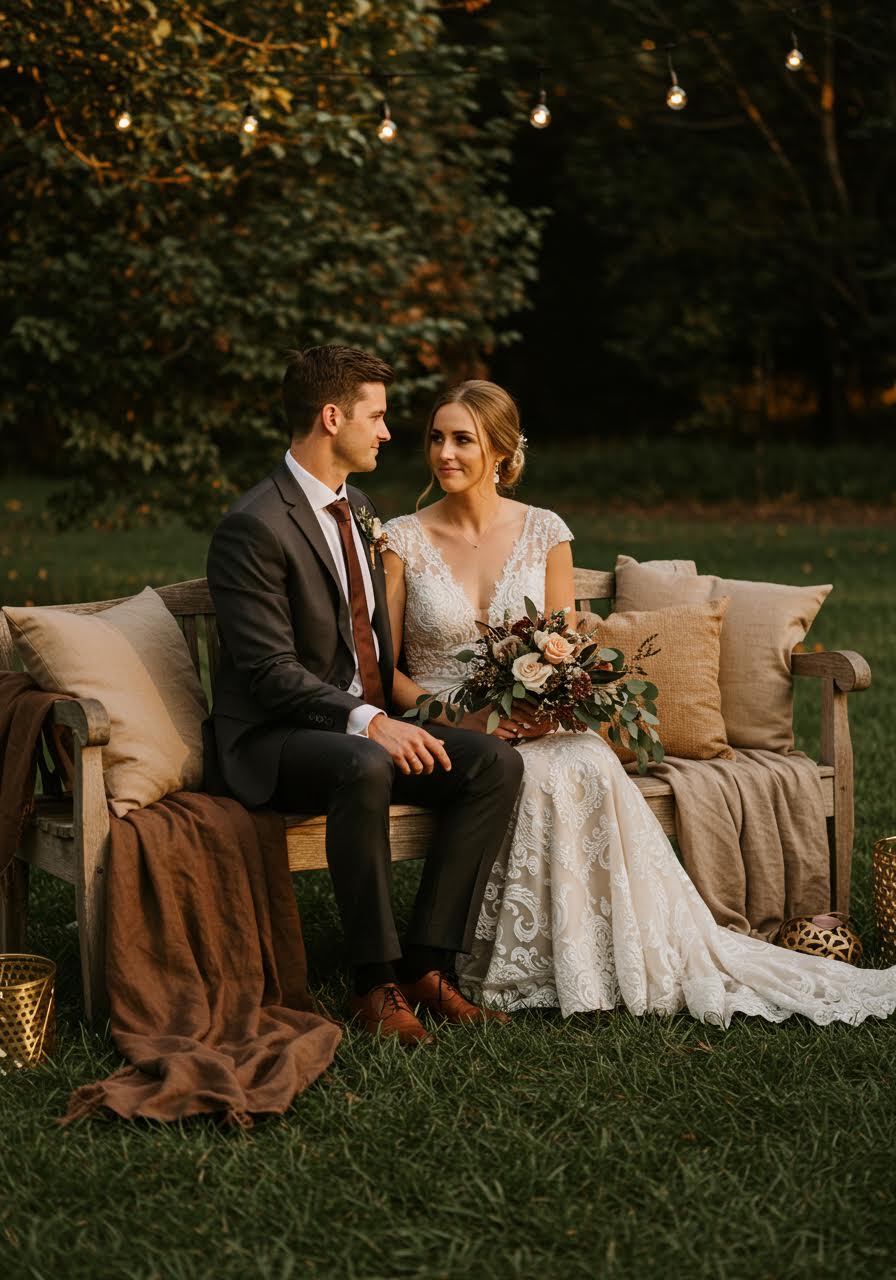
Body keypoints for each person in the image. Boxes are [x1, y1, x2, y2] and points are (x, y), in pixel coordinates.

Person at [382, 379, 896, 1026]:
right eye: (436, 437)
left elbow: (563, 644)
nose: (444, 453)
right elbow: (383, 666)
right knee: (528, 774)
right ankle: (475, 961)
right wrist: (462, 717)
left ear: (503, 452)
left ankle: (582, 953)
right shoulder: (400, 538)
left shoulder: (545, 532)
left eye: (463, 439)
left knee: (582, 763)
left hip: (531, 717)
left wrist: (543, 702)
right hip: (439, 723)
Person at [205, 348, 523, 1046]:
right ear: (331, 417)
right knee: (366, 764)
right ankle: (371, 982)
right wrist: (368, 722)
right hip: (273, 739)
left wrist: (411, 713)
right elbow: (266, 672)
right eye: (375, 416)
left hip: (361, 723)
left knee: (493, 764)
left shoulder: (360, 506)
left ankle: (427, 967)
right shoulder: (253, 525)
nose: (385, 432)